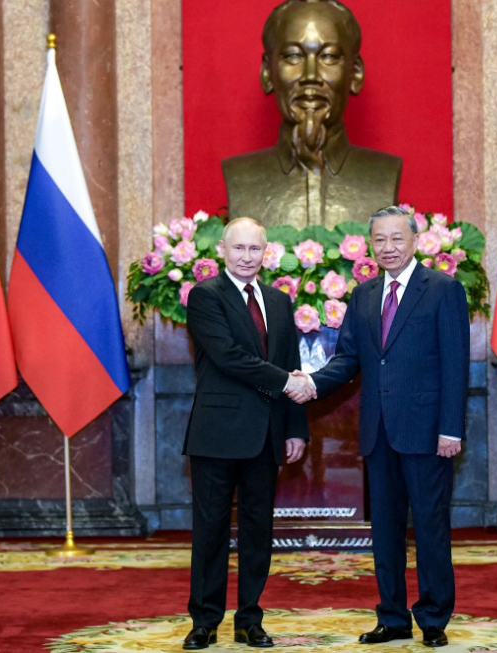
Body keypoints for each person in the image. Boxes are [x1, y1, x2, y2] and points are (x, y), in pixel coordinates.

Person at [290, 206, 469, 648]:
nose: (388, 247)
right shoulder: (364, 295)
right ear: (370, 245)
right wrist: (311, 382)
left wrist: (452, 429)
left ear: (414, 241)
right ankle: (391, 617)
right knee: (385, 530)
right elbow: (348, 359)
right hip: (378, 432)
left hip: (429, 431)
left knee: (429, 526)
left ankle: (432, 619)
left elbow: (455, 364)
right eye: (379, 240)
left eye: (396, 239)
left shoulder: (443, 290)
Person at [182, 218, 316, 650]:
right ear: (222, 250)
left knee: (259, 530)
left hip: (266, 435)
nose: (246, 257)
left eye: (254, 250)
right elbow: (229, 357)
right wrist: (288, 383)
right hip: (217, 434)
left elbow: (292, 361)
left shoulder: (279, 302)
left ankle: (250, 619)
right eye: (238, 248)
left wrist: (296, 428)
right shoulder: (205, 296)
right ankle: (204, 621)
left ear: (266, 253)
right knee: (211, 530)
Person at [222, 0, 402, 229]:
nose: (310, 76)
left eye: (328, 57)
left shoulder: (383, 174)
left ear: (355, 73)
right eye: (293, 56)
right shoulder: (241, 177)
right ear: (267, 73)